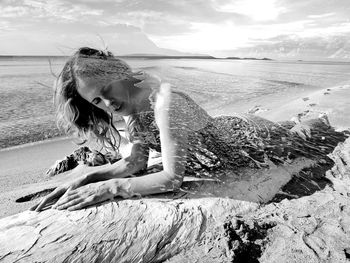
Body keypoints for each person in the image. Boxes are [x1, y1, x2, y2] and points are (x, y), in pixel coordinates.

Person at [32, 47, 346, 212]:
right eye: (96, 100)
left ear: (117, 70)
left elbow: (171, 177)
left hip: (251, 140)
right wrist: (86, 179)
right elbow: (134, 164)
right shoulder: (130, 109)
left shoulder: (164, 101)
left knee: (304, 134)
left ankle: (319, 116)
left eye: (106, 89)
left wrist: (110, 188)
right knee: (295, 130)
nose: (107, 103)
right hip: (225, 134)